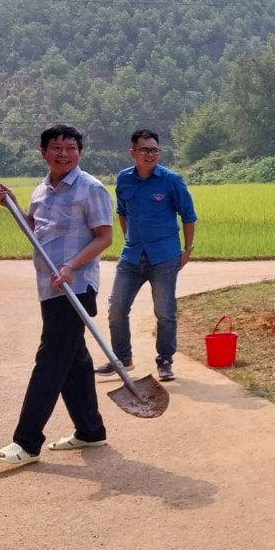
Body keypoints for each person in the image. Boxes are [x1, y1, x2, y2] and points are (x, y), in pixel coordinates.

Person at [0, 124, 114, 468]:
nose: (64, 154)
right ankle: (90, 431)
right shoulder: (42, 191)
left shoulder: (91, 188)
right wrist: (12, 204)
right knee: (73, 360)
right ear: (43, 153)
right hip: (50, 286)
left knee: (50, 360)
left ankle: (26, 442)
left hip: (76, 286)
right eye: (57, 148)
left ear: (80, 153)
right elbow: (36, 230)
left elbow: (105, 236)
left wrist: (72, 265)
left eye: (71, 148)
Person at [97, 129, 197, 383]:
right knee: (116, 308)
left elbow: (188, 215)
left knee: (164, 312)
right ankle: (122, 358)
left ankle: (165, 361)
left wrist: (187, 250)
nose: (150, 154)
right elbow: (122, 211)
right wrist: (130, 237)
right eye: (145, 150)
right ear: (133, 153)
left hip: (164, 256)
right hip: (132, 256)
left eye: (154, 150)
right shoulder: (124, 179)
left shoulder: (171, 180)